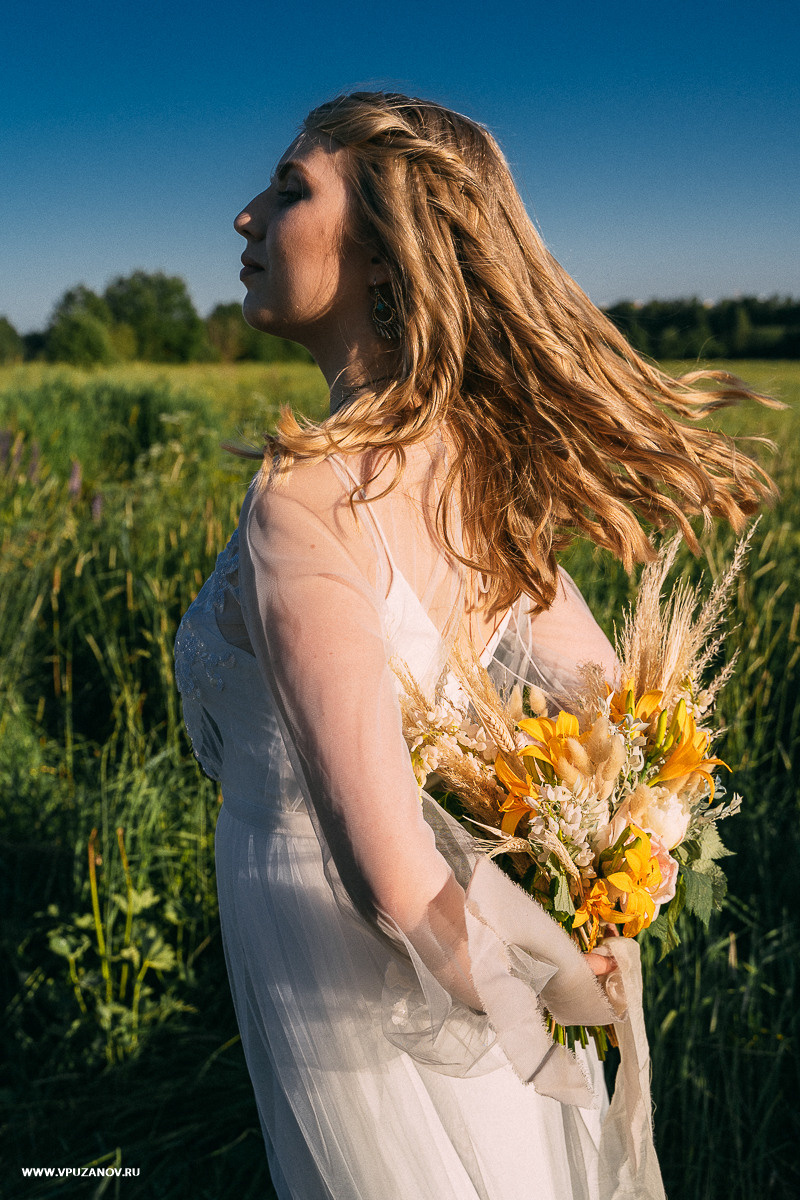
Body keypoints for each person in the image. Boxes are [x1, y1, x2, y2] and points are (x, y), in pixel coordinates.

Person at [175, 92, 772, 1200]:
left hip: (343, 965)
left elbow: (388, 874)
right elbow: (618, 706)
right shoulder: (474, 469)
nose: (245, 219)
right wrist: (598, 877)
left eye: (290, 189)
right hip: (477, 944)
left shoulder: (302, 495)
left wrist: (541, 1000)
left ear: (383, 252)